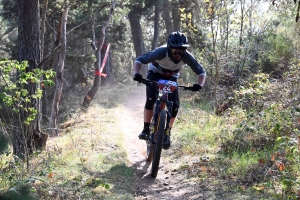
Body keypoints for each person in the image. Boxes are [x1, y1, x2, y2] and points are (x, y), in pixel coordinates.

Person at [133, 31, 206, 150]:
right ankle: (146, 128)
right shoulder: (160, 52)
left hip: (172, 77)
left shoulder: (187, 56)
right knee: (151, 98)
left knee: (175, 106)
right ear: (169, 47)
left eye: (181, 51)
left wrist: (199, 85)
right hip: (155, 73)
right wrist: (137, 74)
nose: (178, 54)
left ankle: (167, 132)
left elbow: (201, 72)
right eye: (175, 51)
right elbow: (139, 60)